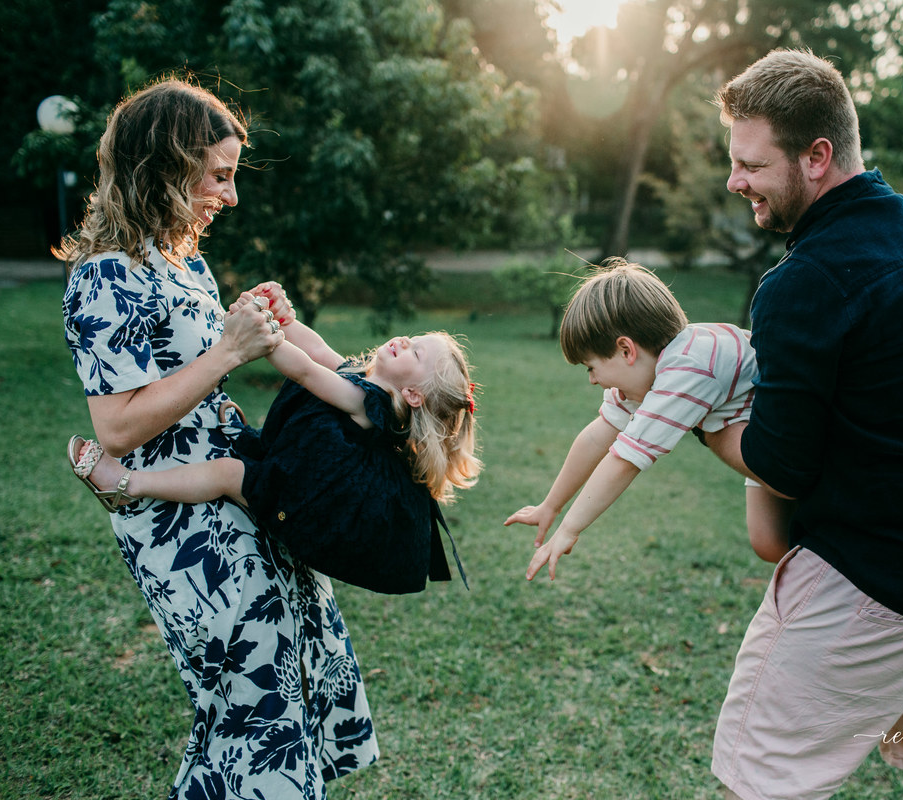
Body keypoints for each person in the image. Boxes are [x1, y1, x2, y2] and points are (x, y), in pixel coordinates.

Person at [706, 49, 903, 800]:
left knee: (765, 775)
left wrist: (701, 418)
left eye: (751, 163)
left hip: (879, 580)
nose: (734, 181)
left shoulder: (804, 282)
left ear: (817, 157)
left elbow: (780, 463)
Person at [59, 77, 380, 798]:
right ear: (166, 168)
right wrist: (229, 351)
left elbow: (268, 354)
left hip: (248, 493)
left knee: (286, 674)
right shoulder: (104, 277)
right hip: (181, 523)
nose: (230, 197)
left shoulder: (185, 265)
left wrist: (279, 328)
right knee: (248, 695)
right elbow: (115, 425)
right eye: (220, 176)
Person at [68, 320, 481, 595]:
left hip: (305, 500)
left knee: (231, 474)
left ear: (412, 395)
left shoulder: (367, 400)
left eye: (416, 354)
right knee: (245, 465)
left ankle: (126, 485)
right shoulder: (368, 380)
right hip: (309, 473)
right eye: (414, 338)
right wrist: (285, 317)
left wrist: (266, 339)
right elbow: (318, 348)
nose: (404, 341)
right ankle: (250, 441)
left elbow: (304, 369)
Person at [505, 259, 792, 581]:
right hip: (748, 431)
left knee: (791, 498)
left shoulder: (687, 368)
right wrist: (551, 506)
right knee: (768, 542)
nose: (592, 380)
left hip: (795, 433)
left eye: (591, 367)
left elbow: (625, 460)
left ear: (626, 350)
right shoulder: (646, 374)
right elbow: (596, 437)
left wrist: (569, 529)